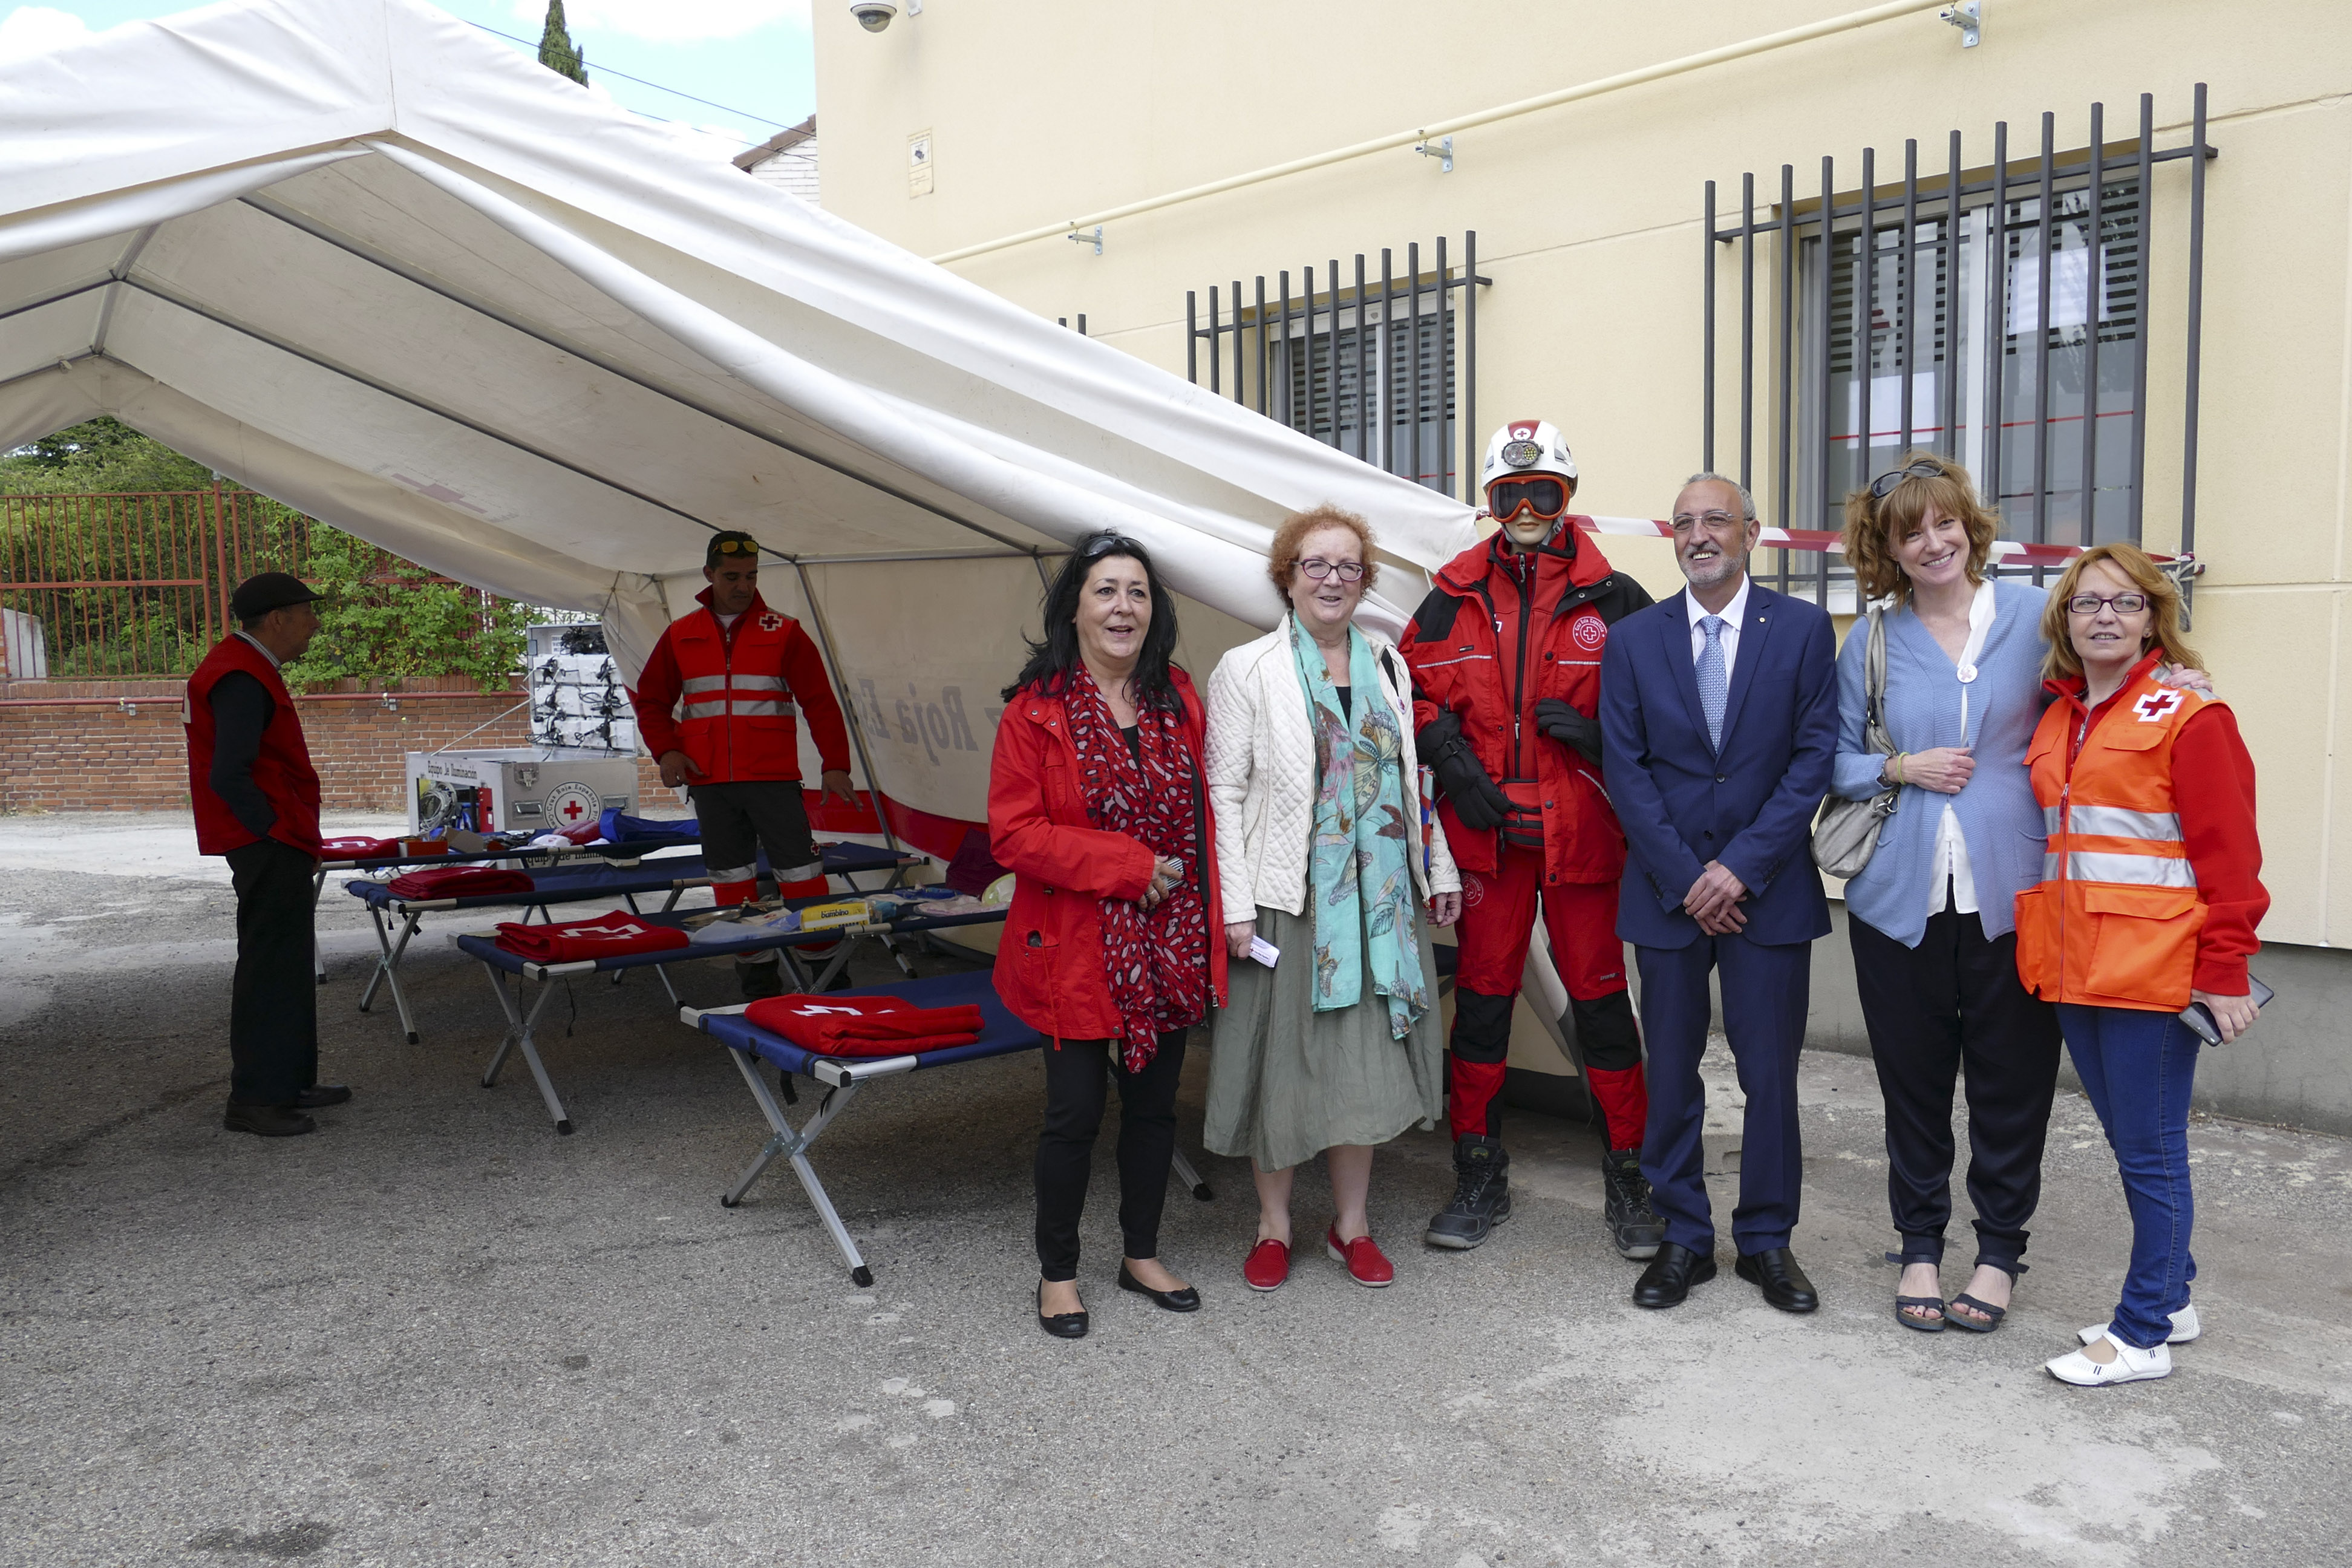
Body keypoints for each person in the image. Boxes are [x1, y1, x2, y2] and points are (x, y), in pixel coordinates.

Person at [1828, 455, 2214, 1335]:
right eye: (1909, 532)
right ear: (1887, 549)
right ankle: (1920, 1245)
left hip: (2024, 894)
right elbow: (1830, 758)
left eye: (1944, 523)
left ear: (1970, 525)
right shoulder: (1873, 639)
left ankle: (2000, 1253)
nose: (1932, 542)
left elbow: (2112, 676)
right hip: (1898, 900)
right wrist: (1897, 764)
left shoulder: (2035, 621)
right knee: (1913, 1088)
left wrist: (2180, 680)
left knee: (2013, 1087)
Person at [1399, 419, 1663, 1259]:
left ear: (1568, 497)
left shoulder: (1617, 598)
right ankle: (1478, 1170)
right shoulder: (1449, 593)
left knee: (1602, 1011)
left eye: (1540, 493)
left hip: (1582, 836)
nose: (1523, 510)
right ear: (1488, 501)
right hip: (1488, 838)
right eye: (1508, 495)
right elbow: (1406, 689)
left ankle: (1630, 1171)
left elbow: (1671, 713)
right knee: (1480, 1007)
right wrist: (1447, 754)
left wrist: (1599, 742)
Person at [2017, 543, 2266, 1387]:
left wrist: (2223, 971)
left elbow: (2230, 857)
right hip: (2073, 966)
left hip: (2154, 972)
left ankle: (2142, 1332)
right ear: (2066, 621)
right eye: (2088, 604)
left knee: (2152, 1153)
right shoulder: (2058, 717)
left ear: (2155, 616)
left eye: (2126, 604)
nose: (2106, 618)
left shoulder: (2192, 716)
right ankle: (2174, 1297)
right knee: (2132, 1145)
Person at [1203, 506, 1462, 1291]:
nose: (1332, 579)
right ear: (1288, 575)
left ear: (1364, 580)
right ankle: (1273, 1225)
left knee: (1365, 1073)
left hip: (1380, 905)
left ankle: (1351, 1226)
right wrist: (1235, 907)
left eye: (1348, 566)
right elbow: (1222, 789)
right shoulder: (1245, 669)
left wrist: (1438, 869)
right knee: (1280, 1069)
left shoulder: (1387, 662)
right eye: (1316, 564)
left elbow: (1409, 778)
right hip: (1289, 902)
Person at [1597, 473, 1839, 1312]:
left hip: (1766, 891)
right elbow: (1624, 768)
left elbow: (1812, 759)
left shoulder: (1804, 630)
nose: (1700, 535)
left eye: (1717, 521)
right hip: (1667, 894)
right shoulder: (1633, 639)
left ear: (1752, 532)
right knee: (1672, 1072)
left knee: (1769, 1075)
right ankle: (1684, 1237)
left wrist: (1738, 868)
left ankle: (1767, 1242)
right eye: (1686, 523)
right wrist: (1687, 877)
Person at [988, 531, 1226, 1339]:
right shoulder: (1035, 713)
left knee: (1157, 1112)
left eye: (1138, 592)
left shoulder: (1180, 700)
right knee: (1075, 1116)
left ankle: (1141, 1253)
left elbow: (1209, 819)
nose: (1123, 605)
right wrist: (1129, 865)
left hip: (1169, 950)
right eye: (1106, 591)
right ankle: (1058, 1273)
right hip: (1073, 954)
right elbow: (1015, 836)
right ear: (1075, 609)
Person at [629, 531, 857, 999]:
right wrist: (667, 751)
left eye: (751, 577)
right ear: (709, 575)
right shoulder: (680, 634)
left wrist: (836, 764)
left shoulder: (785, 630)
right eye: (732, 577)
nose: (743, 586)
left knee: (802, 877)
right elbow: (651, 700)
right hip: (710, 783)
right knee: (731, 883)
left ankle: (828, 982)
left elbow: (821, 702)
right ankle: (758, 984)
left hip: (773, 781)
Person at [184, 571, 345, 1137]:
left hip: (274, 836)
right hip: (266, 840)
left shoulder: (244, 667)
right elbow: (230, 772)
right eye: (307, 613)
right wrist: (275, 831)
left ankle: (289, 1082)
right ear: (277, 619)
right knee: (271, 967)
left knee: (289, 960)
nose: (314, 624)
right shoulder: (239, 674)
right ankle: (256, 1097)